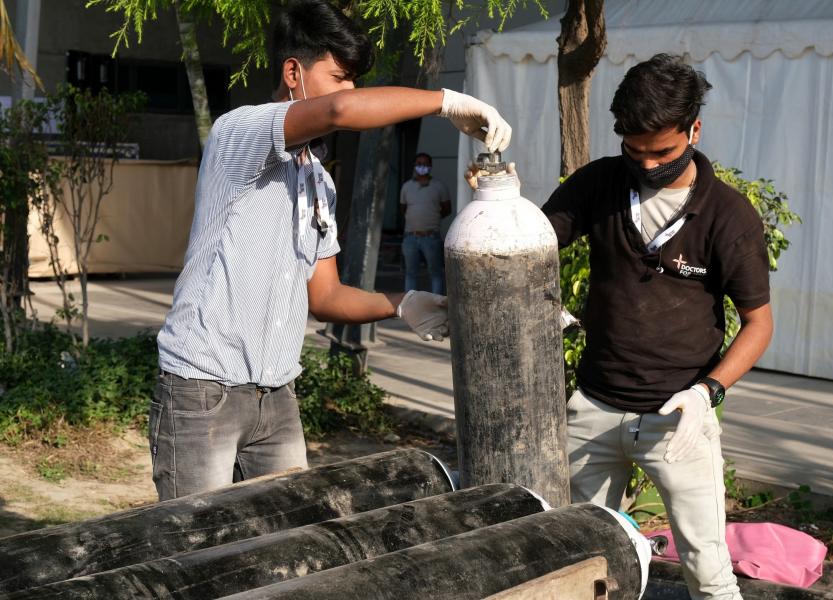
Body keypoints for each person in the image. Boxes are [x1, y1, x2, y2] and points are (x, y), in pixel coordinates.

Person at [152, 0, 511, 501]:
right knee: (195, 549)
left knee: (288, 545)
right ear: (293, 72)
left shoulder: (318, 181)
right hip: (201, 392)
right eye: (340, 76)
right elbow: (342, 111)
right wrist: (445, 101)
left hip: (276, 397)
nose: (350, 92)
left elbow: (325, 295)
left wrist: (403, 303)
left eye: (354, 80)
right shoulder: (238, 133)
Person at [468, 54, 772, 600]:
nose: (649, 164)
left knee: (708, 568)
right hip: (595, 407)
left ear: (694, 130)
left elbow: (758, 323)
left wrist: (708, 393)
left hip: (676, 419)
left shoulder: (729, 217)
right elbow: (533, 244)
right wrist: (497, 208)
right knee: (579, 557)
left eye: (664, 152)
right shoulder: (601, 185)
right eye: (636, 152)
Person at [400, 152, 451, 295]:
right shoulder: (406, 187)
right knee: (410, 273)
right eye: (419, 164)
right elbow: (403, 209)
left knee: (435, 273)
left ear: (430, 166)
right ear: (415, 166)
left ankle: (437, 305)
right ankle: (410, 305)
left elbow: (447, 208)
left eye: (425, 164)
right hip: (410, 237)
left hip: (431, 237)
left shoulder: (439, 186)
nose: (422, 167)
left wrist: (432, 218)